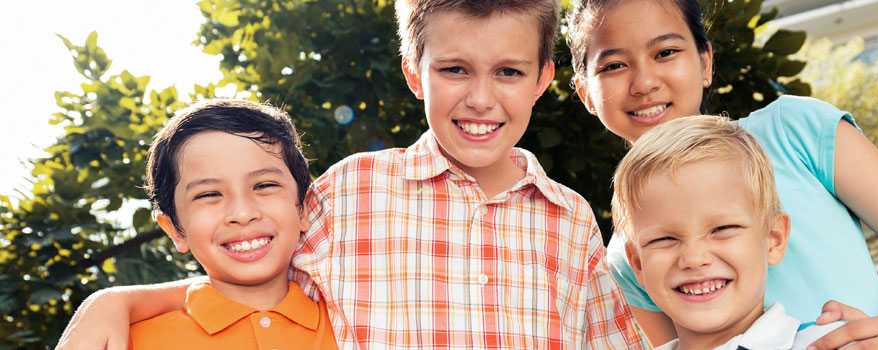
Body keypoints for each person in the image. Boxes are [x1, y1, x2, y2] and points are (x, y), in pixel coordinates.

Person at [57, 1, 644, 348]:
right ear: (416, 75)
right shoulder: (350, 190)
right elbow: (249, 265)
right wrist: (117, 301)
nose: (482, 99)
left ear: (543, 78)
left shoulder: (570, 218)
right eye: (455, 70)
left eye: (509, 73)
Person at [565, 0, 878, 348]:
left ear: (705, 61)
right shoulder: (627, 255)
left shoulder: (794, 131)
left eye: (666, 52)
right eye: (614, 66)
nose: (644, 82)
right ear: (584, 92)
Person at [613, 115, 845, 350]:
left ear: (774, 239)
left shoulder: (836, 344)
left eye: (722, 229)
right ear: (638, 264)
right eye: (664, 239)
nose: (694, 259)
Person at [128, 99, 335, 349]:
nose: (243, 212)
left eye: (264, 185)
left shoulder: (350, 325)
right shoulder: (130, 341)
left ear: (302, 208)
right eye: (209, 195)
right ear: (175, 230)